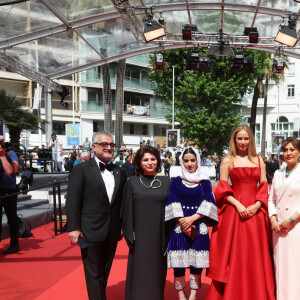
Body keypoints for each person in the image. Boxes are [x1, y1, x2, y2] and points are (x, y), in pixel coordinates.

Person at [205, 125, 275, 300]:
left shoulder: (259, 160)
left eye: (246, 138)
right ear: (234, 140)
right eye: (239, 138)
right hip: (234, 212)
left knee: (255, 254)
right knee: (235, 253)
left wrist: (257, 205)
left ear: (251, 140)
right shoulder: (228, 160)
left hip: (256, 213)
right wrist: (238, 205)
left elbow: (263, 186)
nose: (243, 142)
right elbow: (222, 188)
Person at [66, 131, 126, 300]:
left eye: (111, 145)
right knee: (93, 274)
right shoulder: (81, 170)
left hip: (112, 231)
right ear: (93, 147)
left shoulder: (118, 172)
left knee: (104, 272)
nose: (109, 148)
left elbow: (120, 202)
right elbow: (73, 200)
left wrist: (121, 225)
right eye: (104, 144)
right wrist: (74, 228)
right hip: (90, 230)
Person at [165, 147, 218, 300]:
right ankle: (181, 294)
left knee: (196, 264)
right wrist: (182, 221)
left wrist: (192, 218)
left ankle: (193, 295)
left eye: (192, 160)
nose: (189, 164)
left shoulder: (205, 182)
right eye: (186, 160)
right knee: (179, 264)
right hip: (178, 226)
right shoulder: (176, 181)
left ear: (198, 161)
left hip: (198, 225)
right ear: (181, 161)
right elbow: (172, 200)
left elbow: (208, 201)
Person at [122, 146, 171, 300]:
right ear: (139, 163)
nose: (150, 163)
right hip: (140, 236)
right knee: (139, 271)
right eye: (146, 160)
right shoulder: (133, 182)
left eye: (153, 159)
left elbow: (172, 208)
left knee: (157, 271)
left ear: (158, 161)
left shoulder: (166, 182)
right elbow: (126, 209)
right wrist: (130, 232)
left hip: (160, 234)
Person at [268, 137, 300, 300]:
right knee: (280, 268)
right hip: (278, 228)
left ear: (299, 152)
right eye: (285, 150)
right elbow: (271, 199)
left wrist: (291, 220)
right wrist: (273, 219)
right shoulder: (278, 173)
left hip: (296, 228)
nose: (288, 153)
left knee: (295, 268)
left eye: (292, 149)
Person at [0, 136, 20, 254]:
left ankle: (14, 244)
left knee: (12, 218)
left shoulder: (10, 153)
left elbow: (13, 170)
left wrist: (2, 156)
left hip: (9, 189)